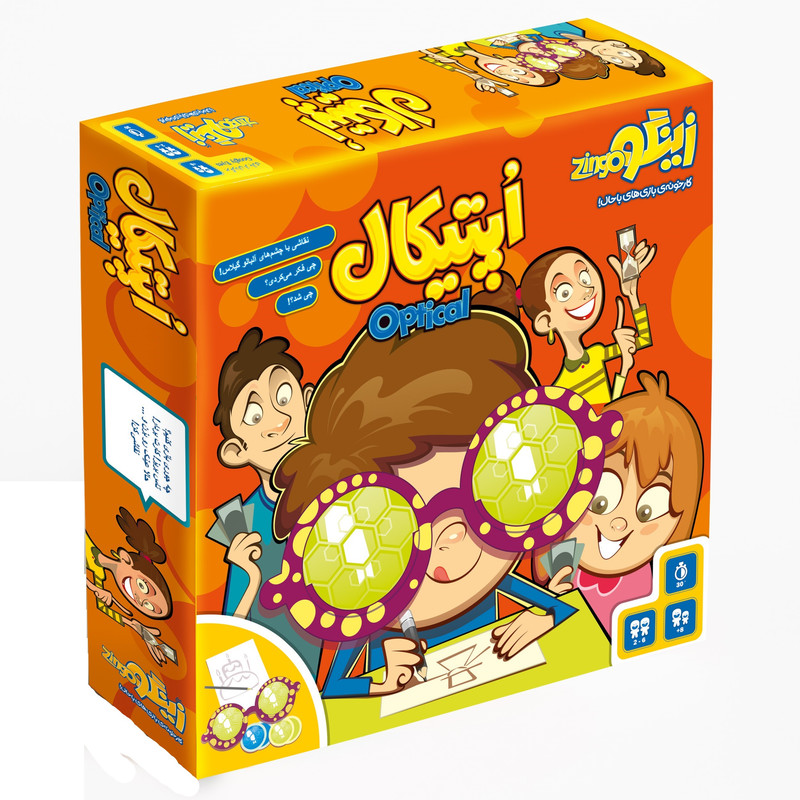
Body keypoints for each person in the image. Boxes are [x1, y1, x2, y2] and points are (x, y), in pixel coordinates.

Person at [271, 311, 579, 698]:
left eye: (493, 493)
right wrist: (378, 682)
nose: (453, 535)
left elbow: (562, 607)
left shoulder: (507, 586)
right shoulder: (368, 623)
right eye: (398, 529)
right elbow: (329, 691)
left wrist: (541, 620)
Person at [545, 371, 703, 632]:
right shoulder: (565, 555)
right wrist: (551, 600)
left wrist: (558, 617)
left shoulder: (647, 586)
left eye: (647, 511)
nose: (619, 524)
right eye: (601, 502)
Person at [209, 327, 321, 674]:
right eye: (255, 416)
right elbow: (229, 634)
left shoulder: (339, 495)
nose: (279, 422)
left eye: (284, 397)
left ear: (309, 400)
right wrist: (249, 577)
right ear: (236, 451)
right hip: (261, 667)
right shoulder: (239, 521)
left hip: (327, 663)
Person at [473, 241, 656, 404]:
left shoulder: (597, 353)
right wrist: (624, 368)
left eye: (584, 277)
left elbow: (644, 339)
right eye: (564, 292)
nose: (586, 290)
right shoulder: (559, 391)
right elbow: (602, 420)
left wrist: (632, 294)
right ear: (545, 321)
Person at [85, 507, 173, 664]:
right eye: (143, 586)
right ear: (126, 558)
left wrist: (134, 625)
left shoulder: (100, 575)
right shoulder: (87, 546)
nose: (140, 600)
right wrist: (93, 588)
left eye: (149, 607)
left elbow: (104, 608)